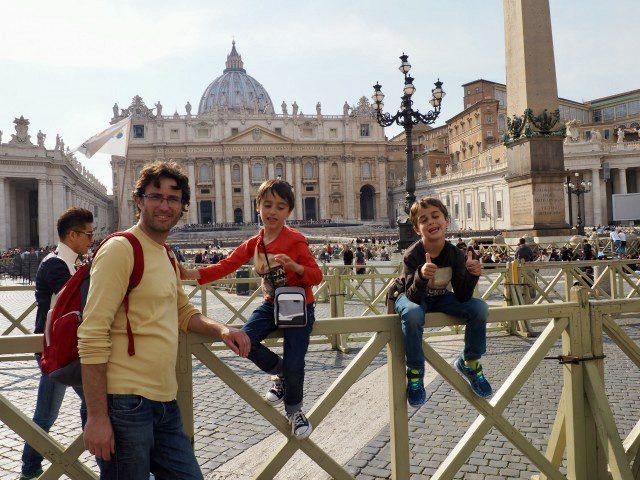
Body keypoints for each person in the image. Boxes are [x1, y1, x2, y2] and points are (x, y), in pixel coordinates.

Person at [77, 161, 250, 479]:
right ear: (139, 200)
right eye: (156, 196)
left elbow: (183, 312)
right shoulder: (121, 249)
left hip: (164, 402)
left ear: (184, 207)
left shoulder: (167, 254)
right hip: (123, 404)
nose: (164, 205)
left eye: (173, 198)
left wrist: (221, 328)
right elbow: (92, 332)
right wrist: (98, 417)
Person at [180, 179, 322, 439]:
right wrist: (190, 273)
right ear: (258, 207)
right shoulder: (254, 243)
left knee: (296, 361)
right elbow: (225, 265)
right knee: (243, 339)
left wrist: (295, 267)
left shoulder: (296, 240)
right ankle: (279, 372)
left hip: (299, 306)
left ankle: (295, 411)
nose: (273, 212)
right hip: (271, 305)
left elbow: (316, 276)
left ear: (288, 212)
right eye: (267, 205)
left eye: (280, 207)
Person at [390, 197, 492, 407]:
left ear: (446, 221)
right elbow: (412, 297)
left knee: (479, 308)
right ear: (417, 229)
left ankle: (470, 362)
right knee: (413, 314)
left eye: (435, 216)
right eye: (423, 220)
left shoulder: (455, 254)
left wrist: (472, 274)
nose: (431, 222)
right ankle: (416, 373)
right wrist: (420, 275)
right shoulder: (412, 255)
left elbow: (463, 296)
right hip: (409, 296)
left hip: (439, 298)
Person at [19, 208, 94, 480]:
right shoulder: (55, 265)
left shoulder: (71, 263)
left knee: (80, 404)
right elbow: (75, 301)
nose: (91, 239)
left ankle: (32, 466)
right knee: (53, 412)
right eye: (88, 234)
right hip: (54, 351)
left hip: (64, 350)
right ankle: (31, 467)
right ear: (72, 235)